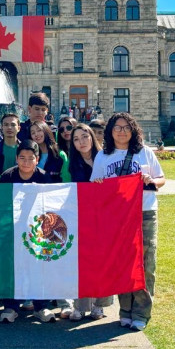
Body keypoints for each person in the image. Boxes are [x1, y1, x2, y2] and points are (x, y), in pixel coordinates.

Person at [91, 112, 165, 332]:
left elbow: (162, 180)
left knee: (145, 263)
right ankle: (125, 310)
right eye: (117, 127)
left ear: (133, 130)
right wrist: (98, 183)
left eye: (126, 127)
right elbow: (95, 186)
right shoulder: (104, 156)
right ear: (110, 131)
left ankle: (141, 312)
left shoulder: (145, 153)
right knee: (123, 263)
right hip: (118, 216)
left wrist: (151, 181)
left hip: (144, 213)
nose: (122, 131)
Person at [0, 139, 56, 324]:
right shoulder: (7, 177)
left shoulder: (44, 177)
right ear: (16, 158)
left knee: (39, 266)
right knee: (13, 268)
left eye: (30, 158)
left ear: (37, 159)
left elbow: (51, 206)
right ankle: (11, 306)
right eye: (22, 158)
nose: (26, 162)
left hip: (37, 231)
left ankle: (41, 306)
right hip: (12, 230)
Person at [61, 123, 110, 321]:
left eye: (84, 137)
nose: (81, 142)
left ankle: (99, 305)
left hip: (106, 217)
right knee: (83, 262)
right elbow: (66, 190)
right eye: (76, 139)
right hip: (82, 217)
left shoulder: (106, 159)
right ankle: (80, 306)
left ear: (92, 137)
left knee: (104, 262)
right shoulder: (71, 164)